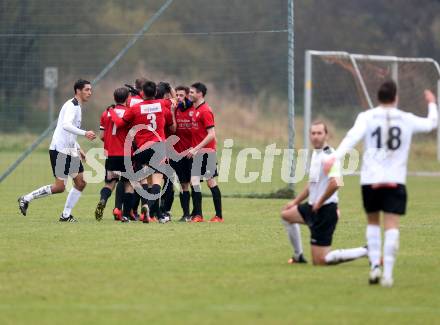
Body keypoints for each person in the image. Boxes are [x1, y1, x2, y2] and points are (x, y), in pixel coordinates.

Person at [325, 80, 438, 287]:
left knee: (373, 223)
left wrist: (336, 157)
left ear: (378, 98)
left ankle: (375, 266)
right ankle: (388, 274)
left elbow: (352, 137)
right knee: (392, 226)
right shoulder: (406, 118)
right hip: (395, 180)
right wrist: (432, 103)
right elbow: (432, 123)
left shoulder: (366, 117)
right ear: (396, 98)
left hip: (370, 180)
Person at [281, 121, 368, 265]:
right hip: (312, 207)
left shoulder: (329, 156)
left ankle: (365, 250)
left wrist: (320, 202)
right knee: (286, 216)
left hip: (325, 211)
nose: (315, 137)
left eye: (319, 133)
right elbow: (312, 184)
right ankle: (298, 256)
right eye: (313, 133)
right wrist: (295, 202)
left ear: (326, 135)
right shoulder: (316, 154)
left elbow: (336, 182)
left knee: (320, 261)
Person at [18, 79, 96, 222]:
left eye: (90, 90)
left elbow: (69, 131)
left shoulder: (77, 106)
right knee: (60, 187)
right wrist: (85, 133)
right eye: (87, 90)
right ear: (78, 91)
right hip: (60, 150)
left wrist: (79, 148)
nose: (90, 93)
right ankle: (26, 198)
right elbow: (66, 125)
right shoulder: (72, 106)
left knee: (81, 182)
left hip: (70, 150)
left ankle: (65, 215)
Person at [109, 80, 176, 223]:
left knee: (141, 181)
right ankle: (148, 207)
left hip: (141, 149)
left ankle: (142, 207)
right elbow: (174, 100)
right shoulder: (162, 104)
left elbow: (120, 123)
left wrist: (112, 110)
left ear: (142, 93)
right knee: (158, 180)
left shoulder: (135, 108)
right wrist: (170, 88)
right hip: (158, 146)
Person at [95, 87, 134, 222]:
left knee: (110, 183)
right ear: (127, 98)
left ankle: (103, 200)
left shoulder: (106, 113)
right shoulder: (129, 113)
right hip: (126, 155)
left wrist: (112, 141)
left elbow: (101, 136)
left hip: (111, 155)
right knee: (129, 184)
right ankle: (125, 214)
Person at [187, 82, 223, 223]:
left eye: (192, 92)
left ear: (200, 94)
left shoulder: (205, 111)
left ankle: (219, 216)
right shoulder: (196, 109)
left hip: (206, 152)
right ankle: (198, 215)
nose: (190, 95)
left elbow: (211, 134)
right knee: (194, 181)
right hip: (198, 153)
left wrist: (196, 148)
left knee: (211, 182)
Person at [172, 85, 194, 222]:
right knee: (183, 184)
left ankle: (197, 213)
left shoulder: (193, 110)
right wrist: (173, 112)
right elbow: (173, 130)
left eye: (181, 95)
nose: (179, 98)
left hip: (191, 152)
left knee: (194, 183)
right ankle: (186, 214)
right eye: (177, 95)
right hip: (178, 153)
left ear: (187, 95)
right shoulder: (175, 110)